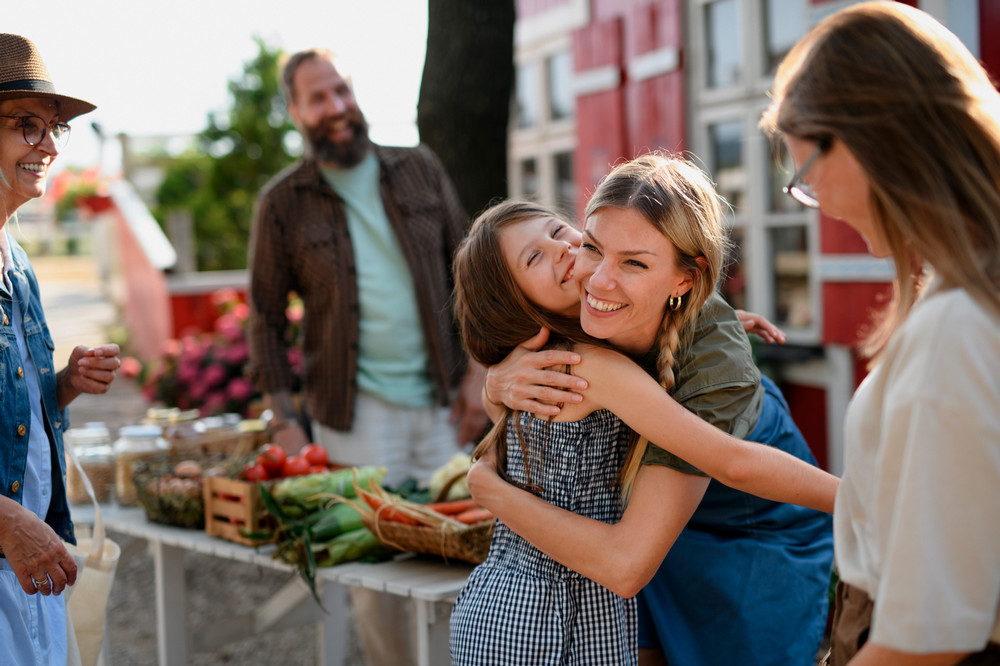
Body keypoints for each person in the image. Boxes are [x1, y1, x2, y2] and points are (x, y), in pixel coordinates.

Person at [472, 154, 834, 665]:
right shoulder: (569, 308)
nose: (596, 277)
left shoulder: (709, 358)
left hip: (746, 528)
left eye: (635, 262)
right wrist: (498, 381)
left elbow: (735, 465)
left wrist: (869, 504)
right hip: (653, 522)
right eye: (593, 246)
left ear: (685, 280)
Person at [759, 3, 1000, 664]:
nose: (817, 203)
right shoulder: (971, 292)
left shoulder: (955, 325)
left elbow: (925, 639)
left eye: (806, 175)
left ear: (868, 140)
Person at [245, 47, 487, 666]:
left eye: (343, 92)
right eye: (319, 99)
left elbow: (473, 272)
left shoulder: (418, 167)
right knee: (377, 574)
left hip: (442, 403)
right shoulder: (282, 203)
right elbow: (266, 322)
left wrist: (480, 374)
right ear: (296, 111)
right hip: (352, 418)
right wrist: (285, 420)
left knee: (469, 555)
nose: (338, 109)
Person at [0, 33, 122, 665]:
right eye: (28, 126)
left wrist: (65, 382)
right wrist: (6, 521)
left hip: (30, 563)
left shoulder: (15, 261)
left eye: (53, 129)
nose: (48, 145)